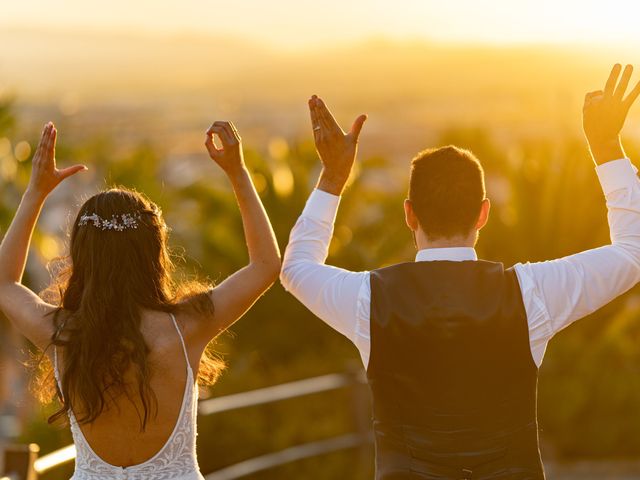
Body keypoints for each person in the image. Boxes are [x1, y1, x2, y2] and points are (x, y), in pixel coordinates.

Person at [280, 64, 640, 479]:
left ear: (409, 215)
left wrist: (333, 176)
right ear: (483, 213)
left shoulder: (368, 298)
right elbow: (631, 251)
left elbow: (296, 269)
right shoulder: (530, 292)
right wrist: (606, 146)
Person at [0, 120, 280, 479]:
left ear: (82, 256)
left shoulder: (62, 334)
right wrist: (238, 172)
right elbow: (266, 265)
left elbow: (5, 283)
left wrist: (34, 193)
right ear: (153, 253)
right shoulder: (187, 327)